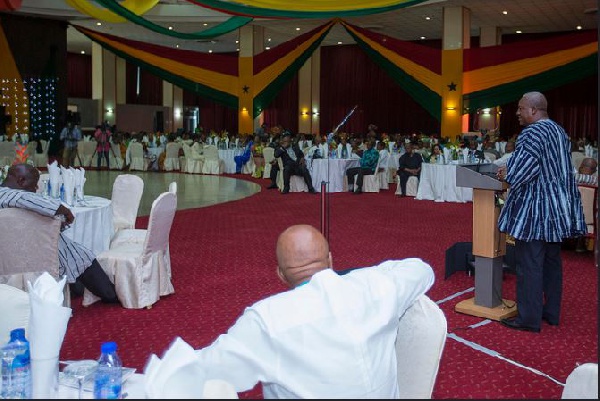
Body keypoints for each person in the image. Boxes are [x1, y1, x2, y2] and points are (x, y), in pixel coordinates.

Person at [193, 224, 435, 398]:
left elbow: (200, 371)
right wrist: (362, 276)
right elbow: (421, 269)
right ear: (330, 261)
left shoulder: (266, 319)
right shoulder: (376, 287)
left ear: (281, 275)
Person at [497, 91, 586, 333]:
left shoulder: (532, 132)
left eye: (520, 108)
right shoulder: (558, 130)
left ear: (533, 111)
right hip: (558, 209)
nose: (517, 113)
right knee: (551, 263)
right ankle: (551, 313)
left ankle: (529, 319)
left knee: (530, 264)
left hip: (536, 211)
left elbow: (520, 173)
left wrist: (507, 172)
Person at [0, 163, 119, 303]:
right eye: (34, 184)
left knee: (71, 252)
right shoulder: (14, 195)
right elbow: (46, 204)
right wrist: (66, 212)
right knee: (77, 254)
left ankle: (80, 286)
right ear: (21, 181)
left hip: (10, 256)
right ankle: (109, 294)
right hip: (41, 254)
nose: (36, 188)